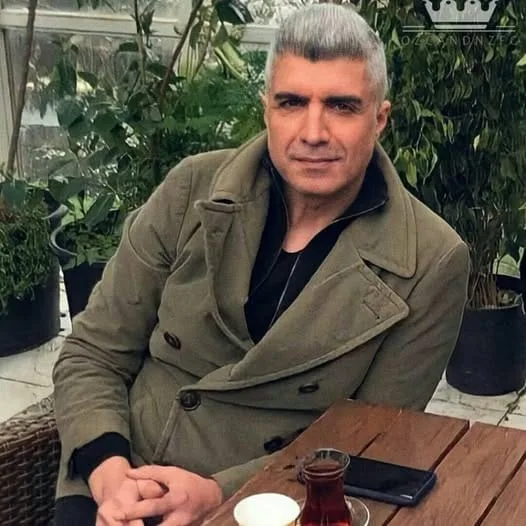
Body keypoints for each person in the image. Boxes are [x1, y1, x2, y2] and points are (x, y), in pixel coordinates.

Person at [52, 3, 470, 525]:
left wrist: (217, 493)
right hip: (119, 475)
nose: (313, 132)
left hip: (269, 502)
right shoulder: (191, 189)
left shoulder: (430, 260)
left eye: (341, 106)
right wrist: (109, 474)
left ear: (379, 119)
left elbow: (368, 440)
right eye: (292, 102)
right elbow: (92, 352)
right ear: (267, 108)